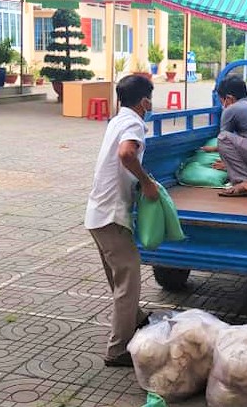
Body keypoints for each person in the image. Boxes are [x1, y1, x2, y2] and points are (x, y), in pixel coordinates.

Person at [84, 74, 159, 367]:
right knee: (128, 281)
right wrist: (147, 182)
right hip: (111, 215)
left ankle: (137, 318)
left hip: (97, 214)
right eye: (150, 100)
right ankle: (118, 350)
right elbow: (127, 153)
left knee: (120, 280)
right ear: (144, 102)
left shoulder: (117, 119)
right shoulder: (133, 123)